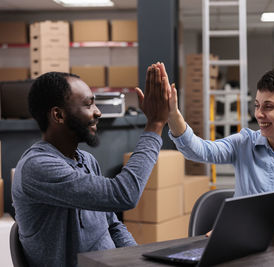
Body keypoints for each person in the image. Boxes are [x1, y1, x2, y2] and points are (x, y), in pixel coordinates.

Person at [11, 64, 170, 267]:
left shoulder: (86, 160)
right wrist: (155, 125)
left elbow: (111, 224)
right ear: (58, 115)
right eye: (88, 105)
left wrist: (137, 259)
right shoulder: (37, 168)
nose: (98, 113)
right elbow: (124, 194)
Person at [166, 67, 274, 197]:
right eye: (257, 105)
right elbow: (199, 151)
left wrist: (229, 224)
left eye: (268, 107)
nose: (258, 114)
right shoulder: (244, 142)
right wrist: (173, 115)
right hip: (243, 235)